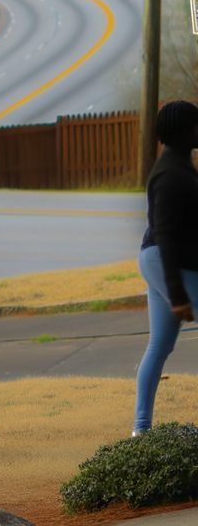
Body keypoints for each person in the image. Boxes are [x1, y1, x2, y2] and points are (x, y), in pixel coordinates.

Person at [133, 100, 198, 435]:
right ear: (185, 131)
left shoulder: (177, 166)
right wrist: (177, 294)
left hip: (157, 259)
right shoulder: (171, 174)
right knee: (158, 345)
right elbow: (167, 234)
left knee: (159, 346)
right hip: (165, 260)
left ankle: (140, 430)